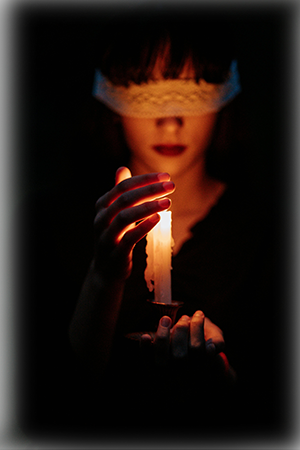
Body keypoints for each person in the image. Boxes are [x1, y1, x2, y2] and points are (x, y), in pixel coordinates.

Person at [11, 0, 299, 448]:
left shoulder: (275, 236)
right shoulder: (45, 225)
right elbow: (45, 413)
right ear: (109, 102)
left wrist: (220, 386)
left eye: (192, 90)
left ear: (225, 98)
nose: (170, 119)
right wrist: (103, 277)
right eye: (145, 92)